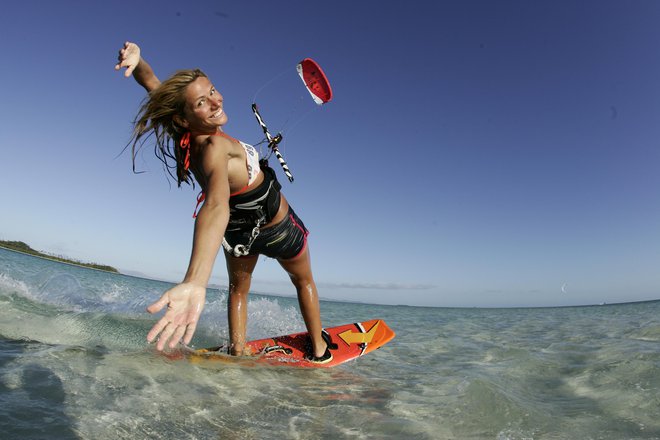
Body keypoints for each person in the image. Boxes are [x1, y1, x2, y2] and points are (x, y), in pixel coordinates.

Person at [115, 41, 332, 363]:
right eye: (203, 102)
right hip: (277, 227)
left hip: (238, 235)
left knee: (238, 290)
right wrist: (195, 280)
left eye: (213, 90)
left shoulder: (184, 131)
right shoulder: (215, 147)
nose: (216, 101)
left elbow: (151, 84)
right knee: (304, 281)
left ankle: (238, 351)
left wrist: (140, 60)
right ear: (187, 117)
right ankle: (320, 350)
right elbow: (216, 204)